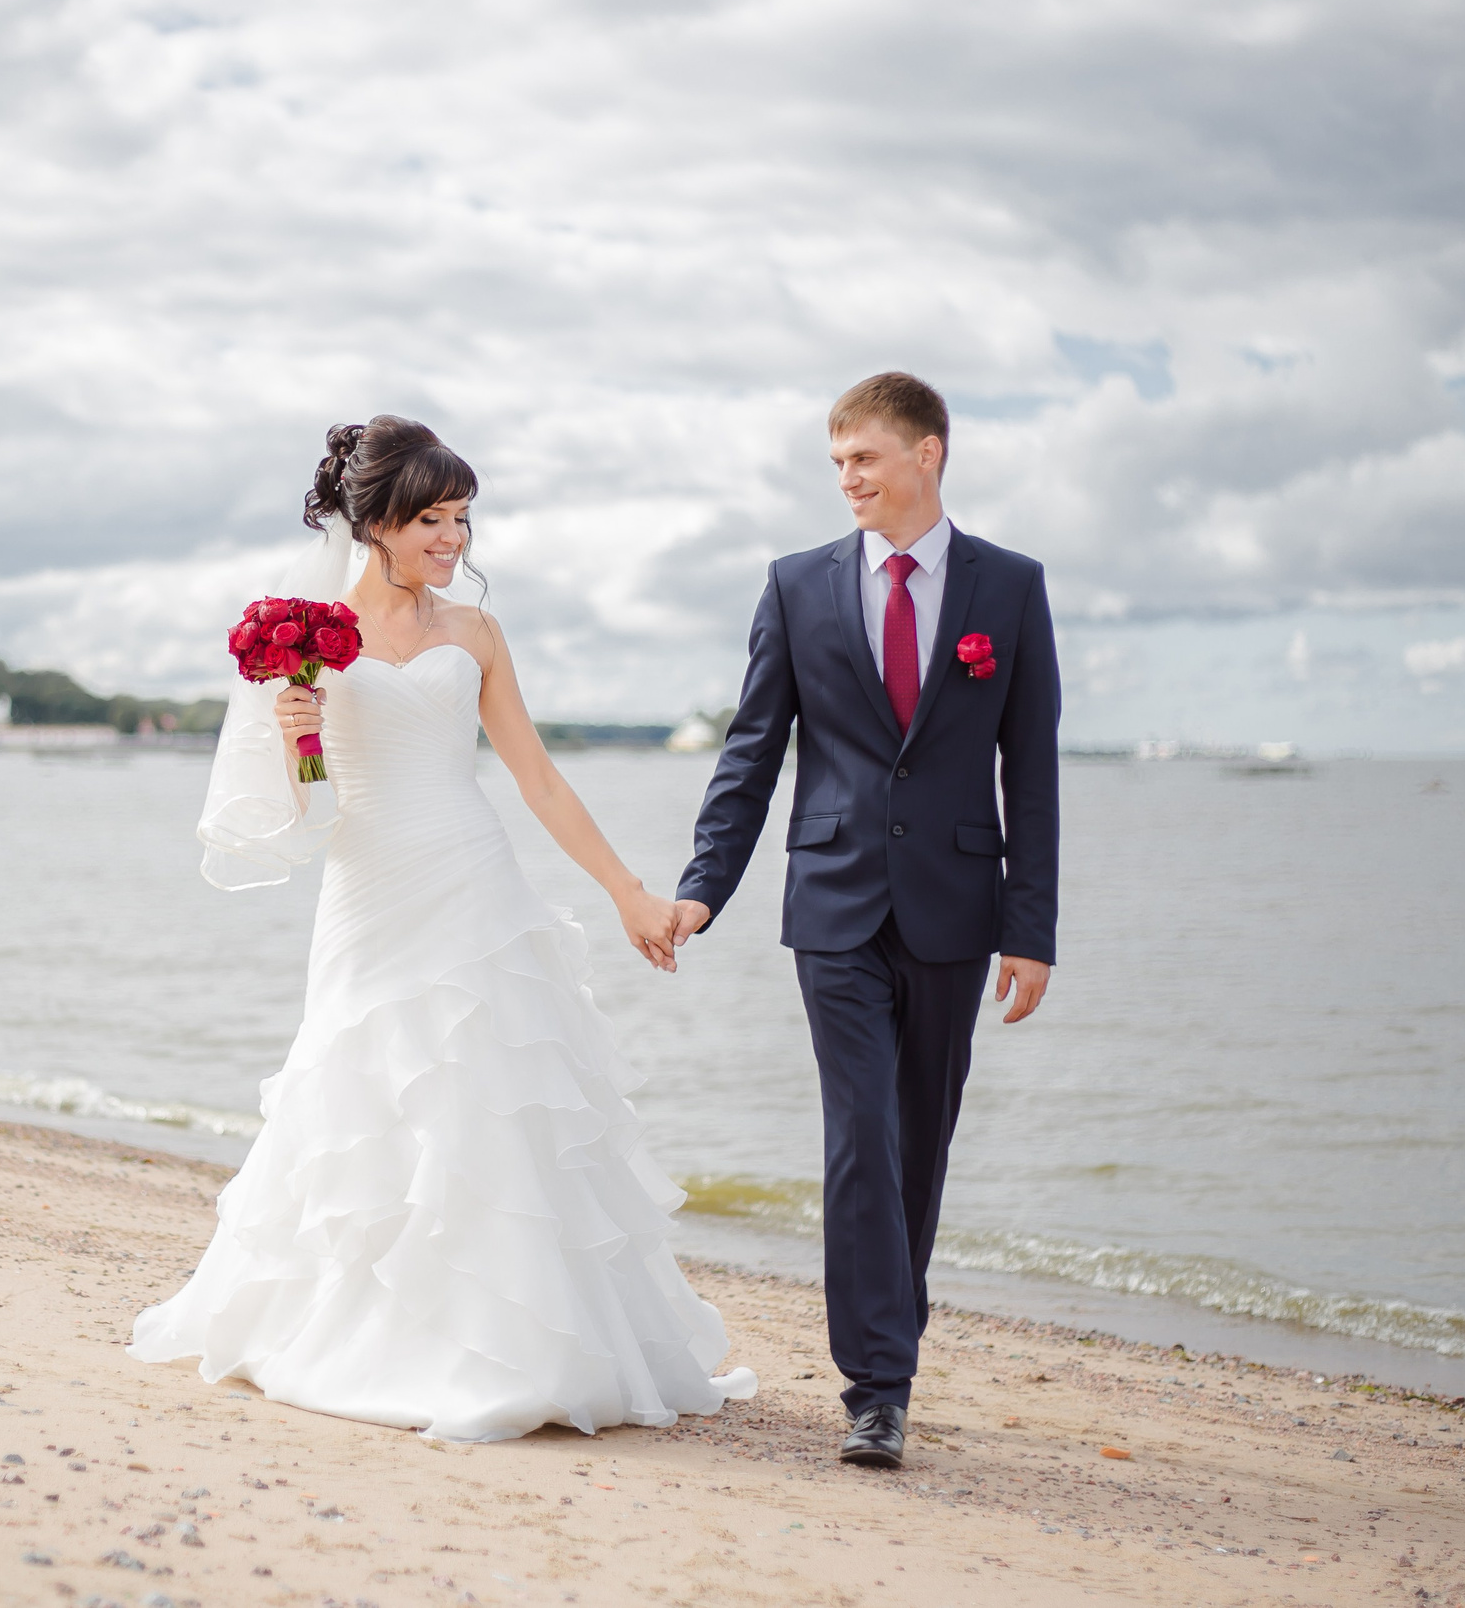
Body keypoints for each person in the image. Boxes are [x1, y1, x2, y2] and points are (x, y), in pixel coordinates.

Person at [130, 416, 756, 1442]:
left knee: (496, 1094)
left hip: (474, 878)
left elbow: (537, 780)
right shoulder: (307, 633)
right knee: (366, 1091)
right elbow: (308, 819)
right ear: (372, 520)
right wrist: (301, 746)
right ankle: (365, 1332)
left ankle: (527, 1342)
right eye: (431, 519)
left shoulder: (475, 634)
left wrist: (627, 892)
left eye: (462, 519)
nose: (453, 541)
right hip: (370, 892)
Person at [670, 372, 1059, 1468]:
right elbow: (752, 752)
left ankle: (890, 1352)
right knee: (859, 1138)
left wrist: (1032, 929)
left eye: (864, 458)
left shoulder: (1009, 589)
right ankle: (875, 1389)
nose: (846, 478)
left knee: (917, 1146)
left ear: (927, 453)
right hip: (831, 905)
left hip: (957, 909)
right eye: (835, 461)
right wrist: (705, 884)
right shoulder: (796, 586)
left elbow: (1028, 771)